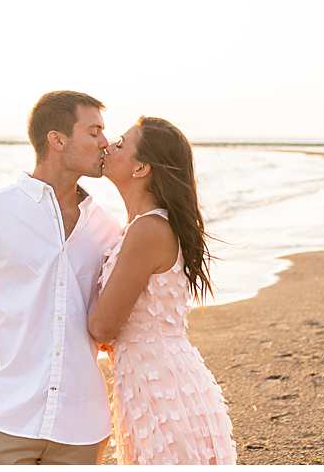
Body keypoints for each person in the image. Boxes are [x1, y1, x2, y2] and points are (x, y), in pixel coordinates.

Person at [0, 90, 121, 465]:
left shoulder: (106, 227)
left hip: (83, 429)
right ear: (57, 140)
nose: (105, 142)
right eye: (94, 132)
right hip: (5, 423)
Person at [90, 117, 237, 466]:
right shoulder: (145, 226)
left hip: (159, 388)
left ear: (141, 168)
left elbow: (103, 327)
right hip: (161, 378)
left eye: (120, 144)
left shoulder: (147, 231)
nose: (108, 145)